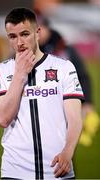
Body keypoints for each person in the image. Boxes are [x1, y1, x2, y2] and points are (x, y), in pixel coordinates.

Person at [0, 8, 84, 179]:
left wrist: (68, 152)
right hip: (15, 172)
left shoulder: (64, 67)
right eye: (12, 36)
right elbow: (2, 119)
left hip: (57, 170)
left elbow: (75, 119)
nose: (19, 42)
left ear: (38, 33)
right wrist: (19, 75)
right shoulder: (0, 71)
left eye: (25, 34)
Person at [37, 13, 100, 146]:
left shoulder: (66, 49)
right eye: (35, 29)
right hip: (37, 110)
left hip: (64, 107)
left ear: (48, 28)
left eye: (41, 28)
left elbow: (82, 76)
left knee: (64, 150)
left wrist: (87, 102)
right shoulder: (26, 51)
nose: (39, 33)